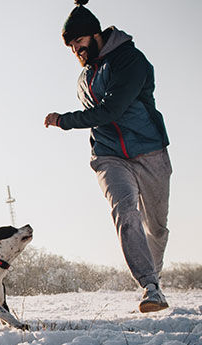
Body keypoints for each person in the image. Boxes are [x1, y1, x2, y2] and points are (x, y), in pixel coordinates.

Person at [43, 0, 172, 313]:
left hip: (149, 149)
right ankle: (150, 287)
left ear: (95, 35)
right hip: (108, 155)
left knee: (156, 227)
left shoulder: (131, 61)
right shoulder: (84, 78)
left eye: (79, 41)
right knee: (124, 209)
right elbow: (99, 118)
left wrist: (63, 120)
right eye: (71, 46)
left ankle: (153, 274)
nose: (76, 50)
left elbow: (112, 109)